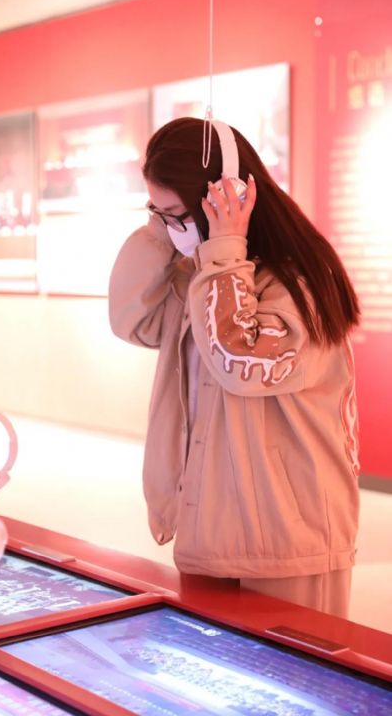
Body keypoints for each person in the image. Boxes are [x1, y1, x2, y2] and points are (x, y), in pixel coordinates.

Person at [108, 117, 360, 618]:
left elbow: (241, 362)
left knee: (294, 669)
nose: (173, 229)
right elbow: (133, 320)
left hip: (288, 539)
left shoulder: (299, 280)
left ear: (226, 198)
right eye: (160, 214)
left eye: (177, 215)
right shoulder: (202, 275)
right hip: (210, 526)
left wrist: (223, 251)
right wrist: (163, 231)